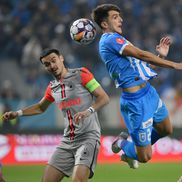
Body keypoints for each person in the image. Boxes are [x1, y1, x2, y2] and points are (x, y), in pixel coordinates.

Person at [91, 4, 182, 169]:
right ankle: (122, 143)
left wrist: (160, 56)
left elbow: (141, 69)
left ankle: (137, 146)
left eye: (119, 16)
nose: (120, 19)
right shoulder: (110, 40)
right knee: (145, 157)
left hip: (149, 93)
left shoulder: (118, 41)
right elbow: (141, 54)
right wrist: (175, 65)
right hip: (135, 103)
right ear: (104, 24)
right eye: (115, 17)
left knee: (166, 129)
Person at [2, 48, 109, 182]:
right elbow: (41, 107)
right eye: (47, 64)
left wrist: (89, 111)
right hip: (67, 142)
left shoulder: (82, 74)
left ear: (61, 58)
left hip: (88, 138)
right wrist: (17, 113)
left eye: (53, 60)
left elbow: (104, 97)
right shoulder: (52, 87)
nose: (52, 66)